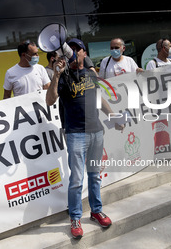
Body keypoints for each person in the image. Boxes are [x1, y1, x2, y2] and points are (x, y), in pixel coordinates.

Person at [46, 38, 124, 239]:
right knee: (77, 179)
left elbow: (99, 99)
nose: (70, 53)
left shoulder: (90, 73)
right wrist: (56, 74)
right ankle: (75, 218)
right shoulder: (63, 77)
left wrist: (114, 116)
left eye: (74, 49)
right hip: (76, 134)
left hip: (97, 131)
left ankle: (96, 211)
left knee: (95, 175)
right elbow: (50, 100)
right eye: (67, 50)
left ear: (83, 52)